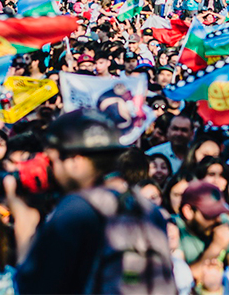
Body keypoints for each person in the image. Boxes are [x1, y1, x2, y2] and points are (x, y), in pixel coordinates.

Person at [17, 109, 174, 294]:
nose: (52, 170)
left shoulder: (76, 210)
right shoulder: (147, 208)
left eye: (54, 161)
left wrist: (24, 221)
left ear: (75, 160)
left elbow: (35, 287)